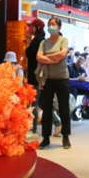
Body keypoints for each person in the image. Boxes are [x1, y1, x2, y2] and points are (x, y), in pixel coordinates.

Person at [37, 18, 71, 149]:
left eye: (53, 24)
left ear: (59, 27)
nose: (51, 26)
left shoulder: (63, 40)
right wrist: (54, 59)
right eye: (49, 24)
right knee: (47, 109)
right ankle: (45, 137)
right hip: (47, 79)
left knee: (63, 108)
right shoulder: (43, 42)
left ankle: (66, 136)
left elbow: (62, 54)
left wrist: (47, 57)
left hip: (62, 78)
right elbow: (38, 57)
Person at [25, 19, 46, 135]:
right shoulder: (42, 40)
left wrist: (28, 42)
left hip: (35, 75)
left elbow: (28, 54)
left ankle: (33, 127)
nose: (29, 29)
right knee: (40, 101)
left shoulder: (37, 40)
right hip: (40, 74)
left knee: (34, 101)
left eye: (31, 26)